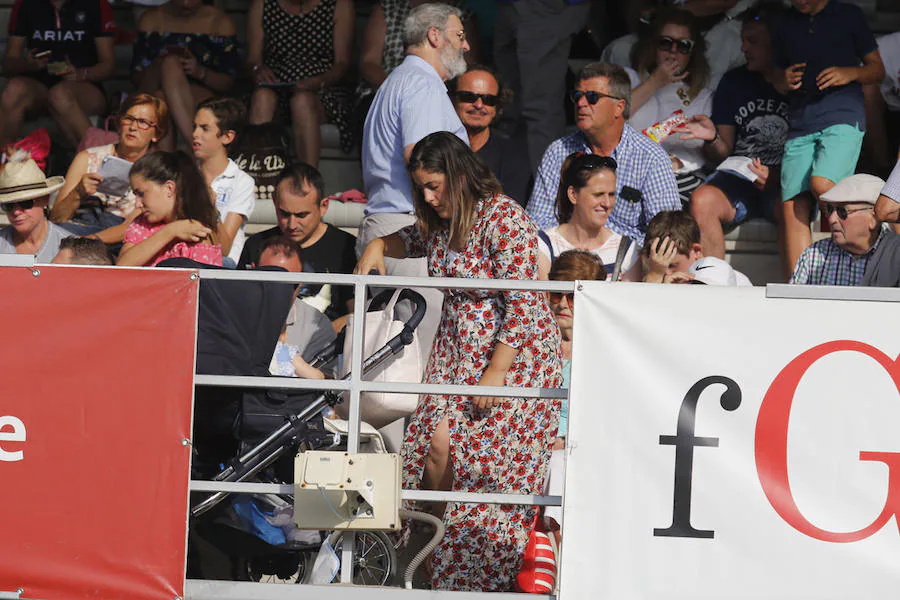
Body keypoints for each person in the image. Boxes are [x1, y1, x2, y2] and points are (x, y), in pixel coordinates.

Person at [355, 131, 562, 592]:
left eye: (435, 186)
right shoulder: (440, 219)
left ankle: (460, 574)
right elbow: (409, 238)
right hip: (456, 353)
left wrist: (496, 375)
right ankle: (436, 562)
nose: (428, 197)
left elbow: (525, 302)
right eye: (421, 188)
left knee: (472, 469)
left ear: (460, 175)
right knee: (432, 448)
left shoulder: (503, 217)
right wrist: (377, 245)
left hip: (513, 358)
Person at [359, 3, 470, 348]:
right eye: (459, 35)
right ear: (434, 36)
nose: (466, 45)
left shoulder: (401, 80)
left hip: (396, 231)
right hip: (409, 235)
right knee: (419, 365)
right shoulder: (422, 84)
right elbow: (423, 160)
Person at [771, 0, 884, 279]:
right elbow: (775, 75)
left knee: (823, 184)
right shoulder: (783, 22)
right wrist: (781, 79)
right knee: (792, 203)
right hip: (801, 121)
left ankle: (842, 269)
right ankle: (800, 288)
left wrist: (851, 72)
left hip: (843, 114)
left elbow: (877, 70)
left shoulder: (848, 14)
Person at [527, 62, 681, 246]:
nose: (581, 103)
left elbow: (666, 234)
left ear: (619, 107)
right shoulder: (558, 151)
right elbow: (538, 222)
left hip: (628, 265)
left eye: (592, 97)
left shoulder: (651, 158)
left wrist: (609, 247)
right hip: (567, 259)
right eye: (577, 96)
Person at [678, 2, 788, 258]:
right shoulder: (734, 81)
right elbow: (722, 152)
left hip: (785, 182)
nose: (743, 48)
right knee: (702, 199)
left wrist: (776, 178)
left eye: (752, 41)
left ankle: (795, 293)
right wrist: (712, 138)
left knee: (793, 205)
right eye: (743, 40)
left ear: (778, 42)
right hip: (741, 180)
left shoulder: (798, 82)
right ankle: (715, 284)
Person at [238, 162, 356, 324]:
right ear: (274, 201)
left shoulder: (346, 247)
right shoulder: (256, 245)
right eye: (284, 214)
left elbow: (358, 313)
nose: (292, 225)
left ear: (323, 206)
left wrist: (327, 333)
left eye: (301, 215)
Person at [543, 249, 605, 547]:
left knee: (559, 466)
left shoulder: (601, 349)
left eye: (573, 297)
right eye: (557, 295)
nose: (563, 305)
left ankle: (559, 555)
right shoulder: (532, 342)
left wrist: (566, 439)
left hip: (578, 449)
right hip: (535, 444)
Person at [246, 0, 355, 166]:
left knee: (302, 101)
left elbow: (342, 64)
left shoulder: (338, 4)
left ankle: (308, 182)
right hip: (277, 87)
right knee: (262, 97)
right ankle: (258, 177)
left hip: (321, 90)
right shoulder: (263, 4)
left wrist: (318, 81)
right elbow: (252, 59)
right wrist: (258, 70)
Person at [51, 93, 169, 242]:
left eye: (143, 122)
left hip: (118, 240)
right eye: (129, 119)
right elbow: (56, 219)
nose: (133, 127)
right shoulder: (87, 158)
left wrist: (85, 242)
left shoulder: (158, 172)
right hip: (79, 226)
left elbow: (129, 229)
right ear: (119, 123)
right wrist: (78, 193)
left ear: (156, 134)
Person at [0, 0, 116, 148]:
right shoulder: (25, 4)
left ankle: (100, 159)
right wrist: (28, 64)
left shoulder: (97, 4)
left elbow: (109, 66)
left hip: (84, 87)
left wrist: (81, 74)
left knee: (59, 94)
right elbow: (8, 65)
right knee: (14, 89)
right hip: (39, 86)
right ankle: (4, 161)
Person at [629, 8, 714, 205]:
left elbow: (704, 153)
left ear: (692, 53)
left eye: (683, 46)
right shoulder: (630, 79)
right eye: (665, 43)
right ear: (653, 46)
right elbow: (611, 117)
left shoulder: (704, 96)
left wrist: (673, 163)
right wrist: (655, 81)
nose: (673, 51)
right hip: (630, 173)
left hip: (682, 177)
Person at [493, 0, 590, 171]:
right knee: (508, 109)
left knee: (541, 110)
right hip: (509, 9)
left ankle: (550, 192)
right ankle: (516, 189)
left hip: (547, 9)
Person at [132, 0, 240, 149]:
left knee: (162, 100)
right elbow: (137, 79)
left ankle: (167, 166)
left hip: (201, 92)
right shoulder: (151, 20)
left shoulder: (220, 23)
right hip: (152, 86)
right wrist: (159, 64)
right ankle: (195, 146)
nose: (186, 4)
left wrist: (199, 72)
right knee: (169, 64)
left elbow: (228, 82)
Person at [537, 152, 642, 281]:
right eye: (598, 194)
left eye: (611, 194)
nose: (607, 203)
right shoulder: (545, 246)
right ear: (573, 194)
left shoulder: (627, 251)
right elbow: (544, 299)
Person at [117, 150, 222, 267]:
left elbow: (199, 281)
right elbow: (122, 267)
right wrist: (170, 231)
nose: (137, 204)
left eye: (141, 193)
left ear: (169, 188)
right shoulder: (142, 224)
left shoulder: (197, 232)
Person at [448, 65, 531, 207]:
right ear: (453, 99)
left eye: (488, 100)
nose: (479, 105)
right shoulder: (438, 149)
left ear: (498, 107)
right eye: (469, 97)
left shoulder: (515, 158)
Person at [790, 173, 889, 286]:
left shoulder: (894, 257)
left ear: (873, 218)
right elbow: (793, 303)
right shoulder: (814, 255)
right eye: (830, 209)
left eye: (842, 211)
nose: (832, 219)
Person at [192, 97, 255, 267]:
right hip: (187, 258)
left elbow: (224, 248)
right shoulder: (184, 174)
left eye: (204, 128)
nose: (195, 134)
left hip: (224, 265)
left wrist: (211, 207)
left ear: (227, 137)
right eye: (195, 127)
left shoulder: (242, 181)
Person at [641, 209, 752, 284]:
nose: (666, 274)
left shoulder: (722, 278)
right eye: (656, 266)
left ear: (696, 251)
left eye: (672, 265)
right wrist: (655, 275)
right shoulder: (656, 279)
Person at [0, 151, 72, 263]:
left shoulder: (71, 247)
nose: (16, 212)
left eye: (25, 203)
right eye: (8, 205)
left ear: (44, 200)